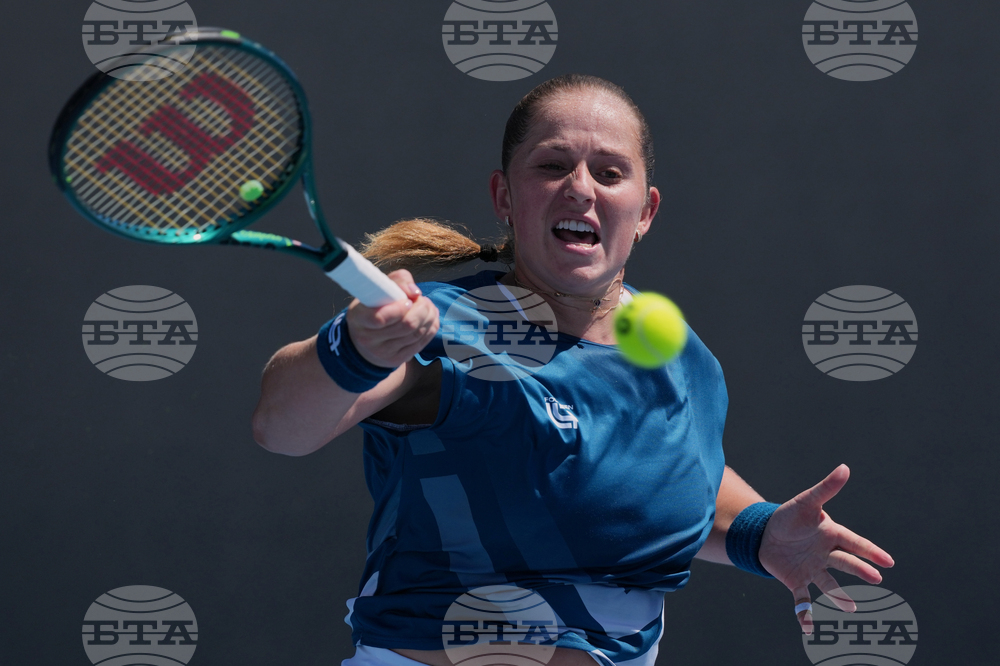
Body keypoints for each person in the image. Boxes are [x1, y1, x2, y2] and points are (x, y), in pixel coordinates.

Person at [252, 74, 894, 666]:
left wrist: (758, 533)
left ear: (645, 211)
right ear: (504, 196)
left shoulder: (679, 355)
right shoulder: (446, 328)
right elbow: (281, 427)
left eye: (609, 173)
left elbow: (670, 466)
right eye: (552, 165)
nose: (581, 187)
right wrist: (356, 350)